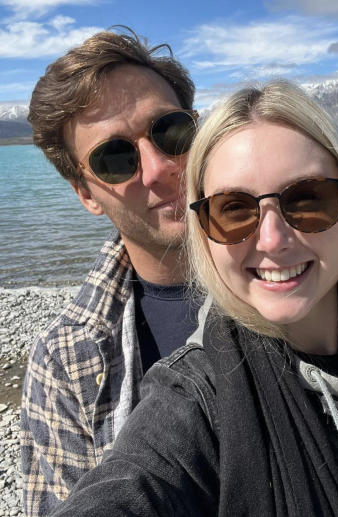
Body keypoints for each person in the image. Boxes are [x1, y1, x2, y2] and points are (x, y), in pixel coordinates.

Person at [51, 80, 338, 516]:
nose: (272, 239)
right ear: (202, 230)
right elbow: (132, 487)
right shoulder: (196, 397)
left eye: (308, 198)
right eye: (233, 209)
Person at [21, 29, 199, 514]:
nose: (159, 168)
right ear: (86, 193)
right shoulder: (64, 364)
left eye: (171, 131)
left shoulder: (315, 277)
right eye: (116, 157)